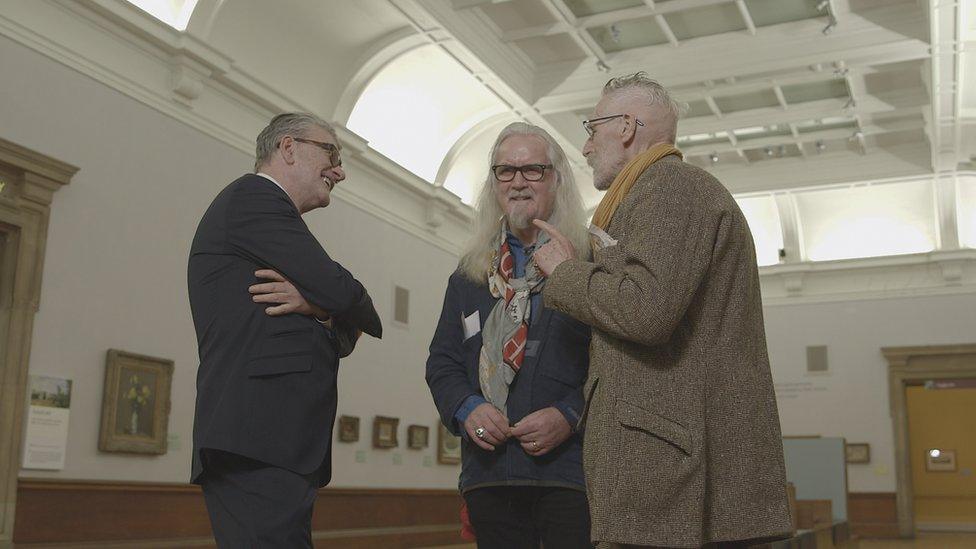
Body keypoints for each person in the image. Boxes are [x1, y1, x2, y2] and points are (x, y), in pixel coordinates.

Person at [533, 73, 793, 548]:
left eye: (593, 129)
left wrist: (566, 273)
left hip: (671, 473)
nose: (587, 147)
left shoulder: (669, 187)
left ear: (627, 128)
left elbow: (644, 310)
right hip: (667, 468)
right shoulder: (658, 190)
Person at [187, 112, 382, 547]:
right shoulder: (255, 197)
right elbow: (348, 295)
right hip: (256, 440)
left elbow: (344, 320)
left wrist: (316, 306)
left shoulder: (267, 217)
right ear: (288, 147)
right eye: (331, 152)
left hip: (274, 444)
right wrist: (330, 298)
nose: (340, 170)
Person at [426, 122, 593, 549]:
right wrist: (467, 409)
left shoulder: (589, 264)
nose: (518, 182)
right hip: (489, 476)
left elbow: (615, 364)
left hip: (569, 475)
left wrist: (570, 416)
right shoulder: (469, 274)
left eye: (533, 170)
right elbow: (442, 363)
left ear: (556, 179)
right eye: (505, 171)